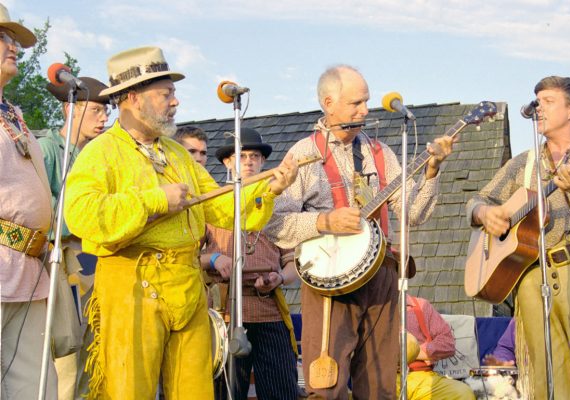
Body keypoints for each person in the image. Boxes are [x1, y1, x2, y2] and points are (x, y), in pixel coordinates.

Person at [63, 46, 297, 399]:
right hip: (130, 287)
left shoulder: (176, 154)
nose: (175, 102)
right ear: (132, 98)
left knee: (195, 390)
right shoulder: (100, 151)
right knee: (129, 390)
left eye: (173, 93)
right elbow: (81, 214)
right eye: (165, 94)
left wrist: (269, 189)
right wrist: (155, 200)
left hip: (186, 287)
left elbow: (221, 207)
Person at [265, 64, 455, 399]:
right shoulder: (304, 154)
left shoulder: (381, 153)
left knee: (381, 385)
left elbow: (414, 213)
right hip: (329, 282)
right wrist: (325, 222)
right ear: (329, 103)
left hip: (381, 275)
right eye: (356, 103)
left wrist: (432, 172)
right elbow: (275, 223)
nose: (365, 110)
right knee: (326, 385)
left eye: (366, 101)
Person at [467, 76, 570, 399]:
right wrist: (485, 214)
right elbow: (476, 201)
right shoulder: (522, 164)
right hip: (529, 274)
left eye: (549, 101)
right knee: (545, 376)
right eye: (537, 101)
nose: (539, 107)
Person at [205, 127, 300, 399]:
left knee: (282, 391)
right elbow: (190, 256)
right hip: (225, 311)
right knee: (225, 393)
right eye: (241, 155)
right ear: (227, 162)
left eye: (255, 156)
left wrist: (279, 278)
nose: (248, 161)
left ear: (263, 162)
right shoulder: (213, 203)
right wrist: (214, 258)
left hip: (269, 310)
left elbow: (293, 263)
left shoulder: (276, 203)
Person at [39, 76, 111, 400]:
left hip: (93, 259)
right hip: (57, 259)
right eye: (96, 110)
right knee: (65, 356)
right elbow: (40, 208)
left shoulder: (97, 156)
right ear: (71, 109)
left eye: (106, 111)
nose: (104, 118)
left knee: (90, 351)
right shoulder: (47, 149)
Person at [0, 3, 58, 398]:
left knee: (38, 388)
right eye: (2, 38)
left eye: (14, 40)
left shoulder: (13, 114)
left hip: (29, 269)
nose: (13, 47)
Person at [399, 295, 475, 400]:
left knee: (463, 394)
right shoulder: (376, 307)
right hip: (387, 377)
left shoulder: (421, 305)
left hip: (422, 376)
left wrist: (414, 351)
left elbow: (447, 343)